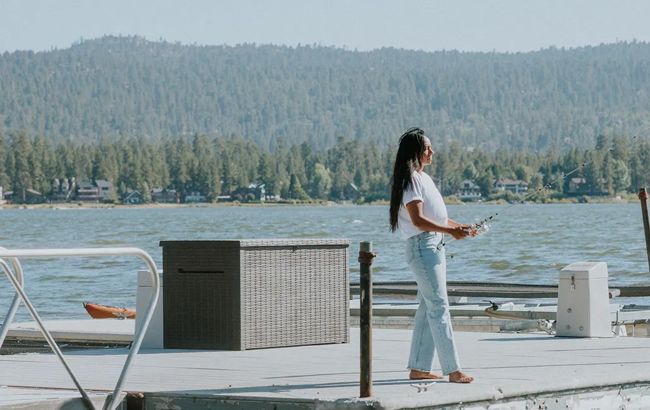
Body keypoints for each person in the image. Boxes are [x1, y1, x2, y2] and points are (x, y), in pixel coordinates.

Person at [389, 127, 475, 384]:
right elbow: (418, 220)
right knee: (439, 306)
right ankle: (453, 370)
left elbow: (436, 217)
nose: (432, 151)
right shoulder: (410, 179)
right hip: (423, 246)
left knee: (429, 306)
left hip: (433, 245)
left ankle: (418, 368)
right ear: (415, 152)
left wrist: (460, 228)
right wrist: (451, 231)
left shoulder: (422, 178)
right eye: (427, 148)